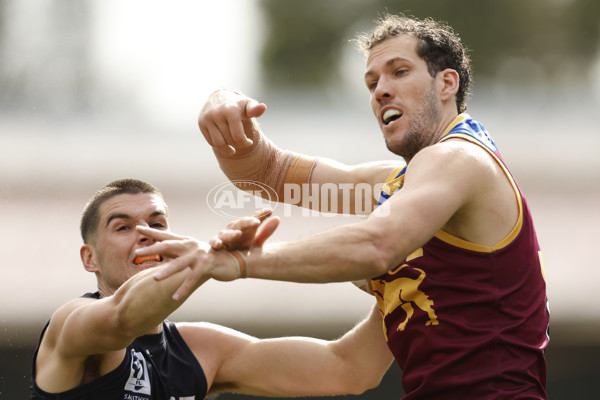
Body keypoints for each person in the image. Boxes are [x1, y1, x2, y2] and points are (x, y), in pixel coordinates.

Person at [140, 13, 550, 399]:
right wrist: (223, 103)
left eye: (399, 72)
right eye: (371, 82)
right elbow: (269, 172)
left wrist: (241, 263)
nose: (380, 90)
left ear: (447, 84)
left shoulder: (458, 158)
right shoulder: (401, 186)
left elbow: (375, 246)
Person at [30, 178, 394, 399]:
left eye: (157, 222)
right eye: (122, 227)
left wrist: (400, 284)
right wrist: (206, 261)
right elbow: (124, 316)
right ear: (89, 258)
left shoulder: (200, 350)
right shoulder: (71, 324)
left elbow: (351, 369)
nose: (146, 233)